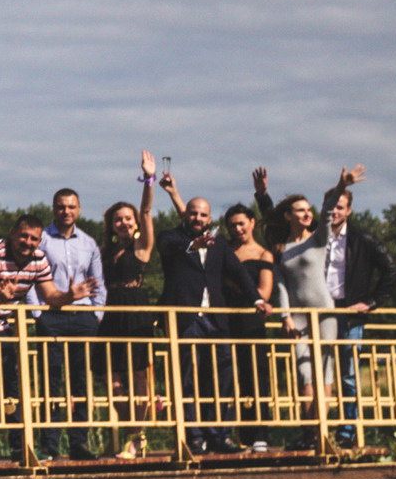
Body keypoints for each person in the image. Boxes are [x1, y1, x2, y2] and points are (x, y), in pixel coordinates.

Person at [152, 173, 261, 456]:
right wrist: (191, 246)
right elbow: (170, 248)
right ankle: (194, 436)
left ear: (210, 218)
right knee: (187, 378)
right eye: (193, 213)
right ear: (185, 215)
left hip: (215, 319)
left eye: (203, 215)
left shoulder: (218, 244)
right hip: (187, 319)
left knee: (223, 376)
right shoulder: (171, 237)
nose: (198, 218)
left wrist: (257, 299)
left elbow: (237, 271)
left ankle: (219, 435)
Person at [257, 165, 349, 452]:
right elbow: (282, 286)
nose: (306, 213)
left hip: (323, 313)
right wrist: (285, 316)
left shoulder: (319, 238)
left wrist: (338, 185)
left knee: (325, 371)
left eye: (308, 209)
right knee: (304, 373)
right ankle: (309, 431)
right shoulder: (282, 248)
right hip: (297, 317)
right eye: (299, 210)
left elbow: (325, 214)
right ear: (288, 215)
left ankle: (320, 432)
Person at [0, 213, 63, 462]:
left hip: (1, 327)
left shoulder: (39, 259)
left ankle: (20, 447)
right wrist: (2, 296)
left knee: (11, 389)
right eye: (24, 236)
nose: (28, 243)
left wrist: (70, 296)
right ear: (12, 233)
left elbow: (50, 294)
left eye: (34, 239)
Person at [321, 168, 396, 447]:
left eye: (340, 207)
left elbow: (392, 271)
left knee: (348, 374)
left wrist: (372, 302)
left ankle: (347, 431)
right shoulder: (315, 237)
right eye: (331, 207)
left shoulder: (362, 240)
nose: (335, 212)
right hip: (320, 312)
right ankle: (315, 430)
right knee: (316, 371)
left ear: (349, 211)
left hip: (349, 314)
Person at [32, 187, 106, 460]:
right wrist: (36, 312)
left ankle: (79, 443)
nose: (66, 211)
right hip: (51, 316)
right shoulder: (42, 241)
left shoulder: (88, 243)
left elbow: (99, 284)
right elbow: (31, 275)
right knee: (50, 381)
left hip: (83, 318)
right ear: (54, 209)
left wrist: (96, 314)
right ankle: (49, 446)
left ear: (79, 209)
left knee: (81, 381)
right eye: (61, 207)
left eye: (71, 207)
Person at [101, 183, 159, 459]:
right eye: (117, 219)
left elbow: (147, 210)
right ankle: (133, 432)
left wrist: (149, 181)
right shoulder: (106, 252)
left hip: (135, 312)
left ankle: (136, 438)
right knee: (110, 381)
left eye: (127, 218)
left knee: (138, 377)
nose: (123, 222)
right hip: (110, 312)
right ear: (111, 225)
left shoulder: (142, 247)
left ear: (135, 222)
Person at [222, 202, 277, 450]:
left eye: (241, 223)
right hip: (224, 321)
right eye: (232, 225)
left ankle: (259, 435)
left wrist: (238, 286)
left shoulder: (263, 254)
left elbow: (264, 292)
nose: (237, 229)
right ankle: (229, 435)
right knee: (226, 377)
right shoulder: (224, 251)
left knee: (256, 377)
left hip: (251, 322)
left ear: (252, 223)